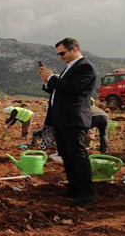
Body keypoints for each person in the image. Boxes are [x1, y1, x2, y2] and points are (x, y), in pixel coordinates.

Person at [39, 38, 96, 207]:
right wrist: (47, 81)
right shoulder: (69, 68)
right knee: (67, 154)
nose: (61, 57)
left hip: (74, 118)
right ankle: (74, 188)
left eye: (62, 53)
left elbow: (72, 88)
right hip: (62, 119)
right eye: (58, 55)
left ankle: (87, 192)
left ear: (74, 49)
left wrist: (51, 77)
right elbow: (59, 89)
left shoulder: (85, 67)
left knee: (77, 155)